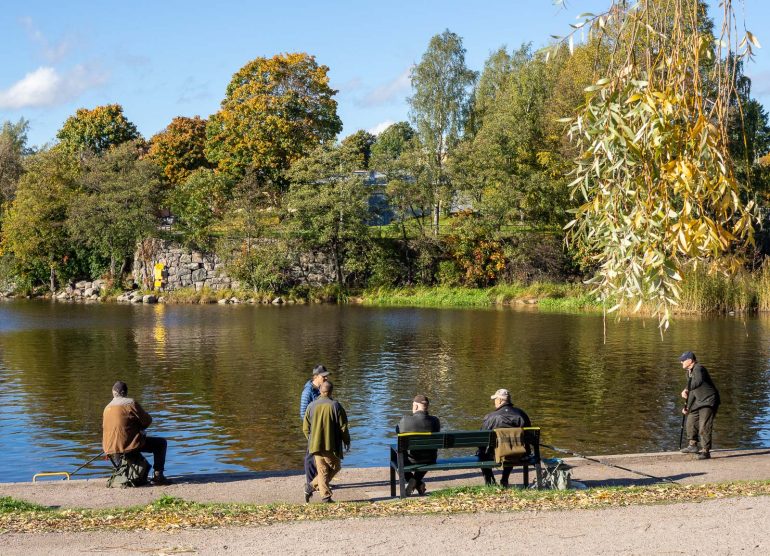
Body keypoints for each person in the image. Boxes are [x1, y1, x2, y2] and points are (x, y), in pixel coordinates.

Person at [102, 381, 171, 485]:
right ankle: (158, 476)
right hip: (128, 446)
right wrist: (140, 427)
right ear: (125, 393)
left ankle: (124, 473)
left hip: (109, 448)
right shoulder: (130, 403)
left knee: (124, 444)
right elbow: (147, 420)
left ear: (113, 393)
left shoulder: (107, 408)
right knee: (161, 444)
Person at [302, 381, 350, 503]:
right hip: (330, 445)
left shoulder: (311, 406)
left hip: (315, 445)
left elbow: (305, 428)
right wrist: (347, 441)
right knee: (335, 466)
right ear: (331, 391)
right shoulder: (336, 406)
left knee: (323, 469)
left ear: (320, 391)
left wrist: (312, 440)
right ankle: (325, 496)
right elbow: (343, 427)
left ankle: (311, 486)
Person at [479, 388, 531, 487]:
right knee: (512, 447)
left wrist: (481, 450)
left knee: (482, 454)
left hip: (495, 455)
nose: (494, 401)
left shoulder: (491, 417)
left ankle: (490, 482)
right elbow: (529, 436)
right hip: (519, 453)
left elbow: (482, 439)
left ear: (500, 400)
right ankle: (504, 479)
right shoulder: (521, 414)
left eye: (495, 399)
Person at [396, 394, 441, 496]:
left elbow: (397, 431)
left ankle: (413, 481)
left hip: (412, 459)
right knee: (426, 455)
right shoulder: (435, 421)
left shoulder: (405, 420)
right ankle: (418, 482)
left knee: (396, 455)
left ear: (415, 406)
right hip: (431, 459)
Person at [678, 351, 720, 460]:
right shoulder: (688, 373)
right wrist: (687, 406)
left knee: (704, 426)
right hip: (698, 401)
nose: (681, 361)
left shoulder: (699, 368)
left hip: (709, 400)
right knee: (690, 421)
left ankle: (706, 451)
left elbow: (698, 381)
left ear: (690, 360)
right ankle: (693, 445)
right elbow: (693, 391)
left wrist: (686, 388)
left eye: (683, 360)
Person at [299, 364, 330, 500]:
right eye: (324, 376)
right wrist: (312, 426)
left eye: (326, 376)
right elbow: (303, 412)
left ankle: (318, 481)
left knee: (319, 455)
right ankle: (311, 481)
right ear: (316, 376)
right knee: (310, 456)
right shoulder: (308, 391)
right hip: (313, 429)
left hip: (321, 428)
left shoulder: (319, 389)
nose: (326, 378)